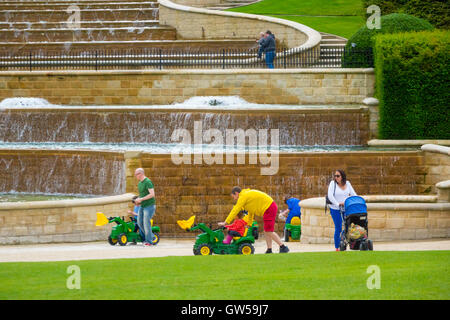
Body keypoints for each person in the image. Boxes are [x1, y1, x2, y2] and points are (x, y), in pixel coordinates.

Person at [218, 186, 289, 254]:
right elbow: (251, 211)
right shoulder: (246, 196)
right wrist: (249, 224)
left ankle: (283, 246)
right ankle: (269, 249)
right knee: (266, 230)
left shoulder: (243, 196)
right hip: (269, 207)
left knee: (269, 231)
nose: (234, 199)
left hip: (269, 208)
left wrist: (226, 222)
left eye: (233, 197)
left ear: (236, 193)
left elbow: (235, 210)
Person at [327, 169, 357, 251]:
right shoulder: (332, 184)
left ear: (342, 176)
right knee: (338, 227)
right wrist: (337, 204)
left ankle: (346, 242)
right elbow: (330, 196)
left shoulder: (348, 183)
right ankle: (337, 247)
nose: (336, 177)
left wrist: (353, 201)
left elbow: (354, 194)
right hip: (335, 208)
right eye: (335, 176)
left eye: (338, 176)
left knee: (349, 226)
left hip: (346, 208)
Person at [134, 168, 156, 247]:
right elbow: (142, 195)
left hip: (149, 206)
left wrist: (141, 199)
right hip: (142, 206)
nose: (135, 176)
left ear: (140, 174)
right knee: (140, 222)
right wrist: (138, 201)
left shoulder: (148, 182)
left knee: (146, 223)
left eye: (136, 174)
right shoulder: (140, 183)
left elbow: (152, 194)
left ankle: (149, 242)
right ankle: (152, 236)